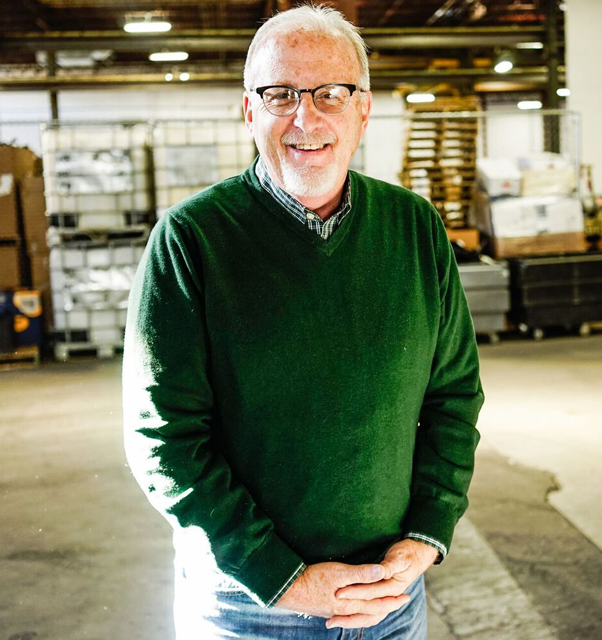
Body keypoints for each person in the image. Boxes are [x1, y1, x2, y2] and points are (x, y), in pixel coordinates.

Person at [122, 5, 484, 639]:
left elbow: (453, 397)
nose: (305, 117)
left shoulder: (415, 229)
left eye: (330, 94)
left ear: (363, 109)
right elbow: (165, 439)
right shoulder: (192, 241)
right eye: (280, 94)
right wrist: (283, 579)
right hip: (247, 607)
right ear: (250, 110)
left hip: (389, 601)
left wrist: (427, 535)